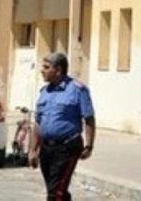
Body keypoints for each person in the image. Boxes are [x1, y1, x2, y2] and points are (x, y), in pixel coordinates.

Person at [29, 52, 95, 201]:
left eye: (46, 67)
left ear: (58, 70)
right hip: (46, 148)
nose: (42, 70)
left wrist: (89, 145)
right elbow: (38, 122)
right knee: (57, 189)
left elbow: (89, 118)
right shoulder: (44, 92)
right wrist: (33, 149)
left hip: (67, 147)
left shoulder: (77, 90)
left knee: (55, 193)